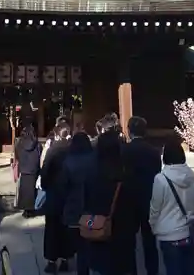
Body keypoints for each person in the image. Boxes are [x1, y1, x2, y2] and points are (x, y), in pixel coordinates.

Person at [84, 130, 135, 275]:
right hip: (123, 232)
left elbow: (86, 201)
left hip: (99, 228)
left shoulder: (92, 173)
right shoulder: (126, 173)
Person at [149, 138, 194, 275]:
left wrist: (153, 226)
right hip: (189, 232)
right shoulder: (192, 176)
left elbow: (155, 209)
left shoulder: (160, 179)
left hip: (169, 235)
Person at [123, 116, 161, 275]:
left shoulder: (124, 150)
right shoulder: (153, 151)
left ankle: (131, 270)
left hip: (128, 199)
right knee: (149, 239)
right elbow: (157, 174)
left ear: (129, 130)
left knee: (129, 240)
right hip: (149, 197)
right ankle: (152, 270)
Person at [60, 131, 94, 275]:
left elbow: (62, 188)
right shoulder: (95, 160)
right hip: (92, 210)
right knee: (91, 244)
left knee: (80, 247)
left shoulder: (68, 162)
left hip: (73, 210)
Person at [41, 122, 73, 273]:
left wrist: (46, 186)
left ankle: (52, 261)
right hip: (69, 194)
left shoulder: (53, 150)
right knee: (66, 228)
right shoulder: (73, 149)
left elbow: (45, 173)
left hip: (54, 194)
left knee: (52, 228)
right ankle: (66, 259)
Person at [14, 125, 42, 218]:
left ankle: (25, 210)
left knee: (24, 190)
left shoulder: (19, 143)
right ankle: (33, 209)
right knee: (33, 190)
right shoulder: (37, 144)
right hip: (34, 169)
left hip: (24, 169)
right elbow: (39, 155)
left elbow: (17, 155)